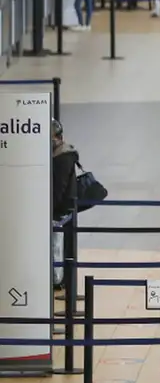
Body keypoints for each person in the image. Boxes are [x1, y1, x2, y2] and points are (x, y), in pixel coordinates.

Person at [52, 120, 79, 290]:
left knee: (55, 244)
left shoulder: (61, 157)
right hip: (60, 207)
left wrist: (49, 209)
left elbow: (58, 188)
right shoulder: (62, 154)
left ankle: (56, 278)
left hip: (58, 209)